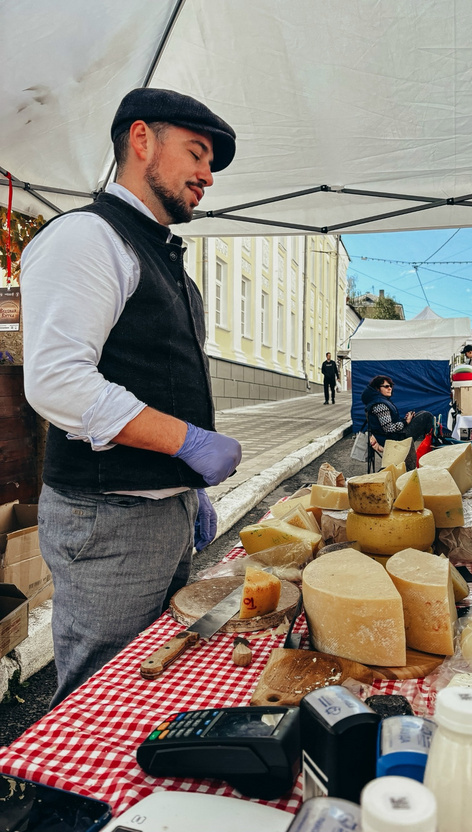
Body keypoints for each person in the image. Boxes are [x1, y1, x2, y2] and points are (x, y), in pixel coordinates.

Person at [21, 88, 242, 706]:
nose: (207, 176)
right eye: (197, 155)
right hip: (107, 517)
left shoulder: (158, 251)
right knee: (100, 695)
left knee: (153, 679)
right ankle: (73, 805)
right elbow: (57, 380)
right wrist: (189, 443)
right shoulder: (88, 238)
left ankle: (130, 803)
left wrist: (184, 485)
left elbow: (156, 375)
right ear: (141, 140)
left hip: (158, 510)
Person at [361, 375, 434, 447]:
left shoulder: (379, 401)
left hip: (392, 436)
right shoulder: (380, 405)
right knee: (426, 416)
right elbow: (389, 428)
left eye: (390, 386)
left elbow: (389, 424)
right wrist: (405, 422)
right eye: (386, 386)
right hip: (393, 439)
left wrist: (405, 420)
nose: (390, 388)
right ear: (377, 389)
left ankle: (432, 440)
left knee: (421, 414)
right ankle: (433, 442)